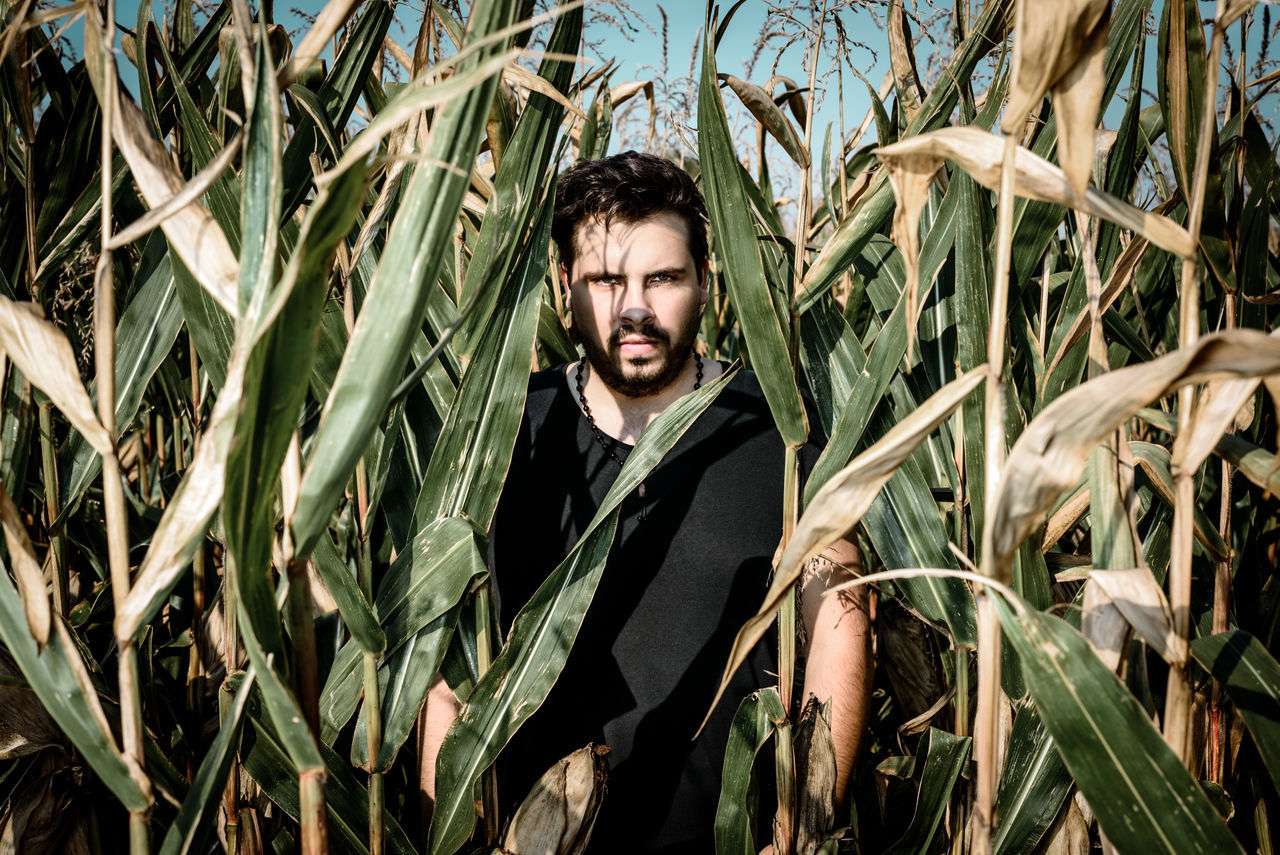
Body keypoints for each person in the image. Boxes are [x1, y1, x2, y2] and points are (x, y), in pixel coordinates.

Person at [422, 151, 871, 852]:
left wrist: (801, 828)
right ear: (564, 285)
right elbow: (443, 665)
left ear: (704, 283)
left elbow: (840, 620)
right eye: (605, 280)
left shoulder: (779, 428)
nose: (634, 307)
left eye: (662, 277)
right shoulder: (503, 436)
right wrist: (454, 832)